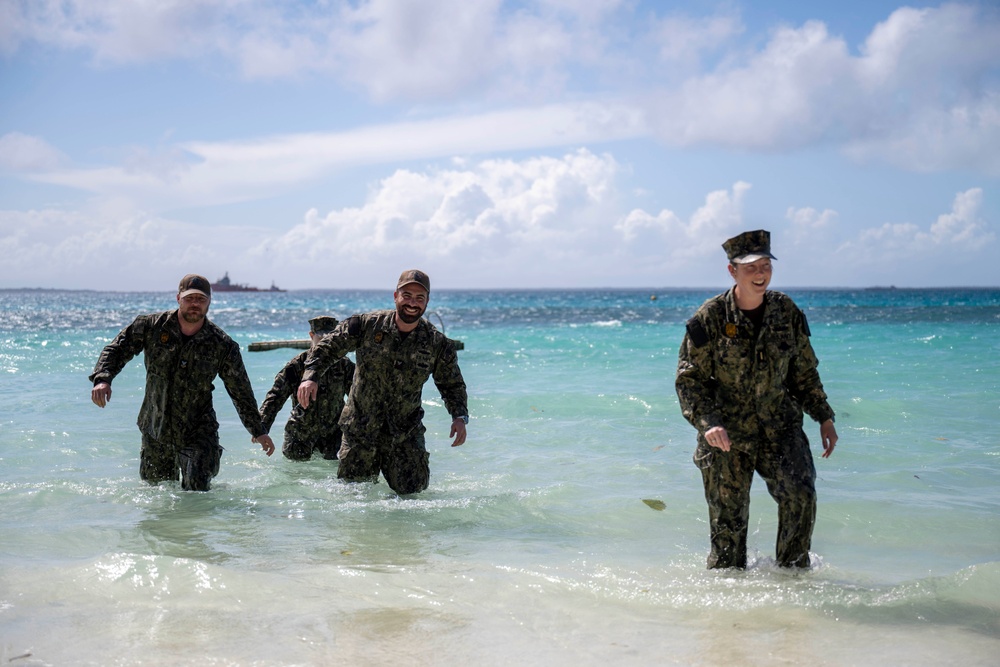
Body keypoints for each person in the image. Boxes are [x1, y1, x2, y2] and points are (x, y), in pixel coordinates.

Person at [675, 230, 838, 569]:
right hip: (727, 439)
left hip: (780, 428)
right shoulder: (711, 318)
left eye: (765, 265)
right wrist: (709, 424)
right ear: (732, 271)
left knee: (800, 494)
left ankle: (793, 586)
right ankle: (729, 610)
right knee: (728, 536)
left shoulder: (786, 312)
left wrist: (824, 415)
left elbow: (803, 372)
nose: (760, 273)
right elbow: (689, 381)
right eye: (750, 267)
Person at [89, 274, 275, 491]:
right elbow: (117, 349)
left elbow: (240, 389)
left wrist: (258, 430)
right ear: (178, 298)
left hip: (198, 431)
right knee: (157, 498)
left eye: (201, 299)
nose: (195, 304)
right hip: (155, 427)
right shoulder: (151, 326)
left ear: (209, 302)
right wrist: (103, 379)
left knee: (197, 499)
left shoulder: (222, 344)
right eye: (189, 298)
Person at [296, 269, 468, 494]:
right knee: (354, 499)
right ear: (395, 296)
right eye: (407, 295)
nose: (412, 303)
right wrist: (310, 376)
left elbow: (451, 383)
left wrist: (459, 416)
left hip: (404, 434)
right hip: (360, 430)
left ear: (427, 302)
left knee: (412, 501)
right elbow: (328, 347)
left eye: (419, 298)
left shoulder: (437, 343)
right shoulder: (366, 325)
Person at [259, 316, 355, 461]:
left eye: (330, 337)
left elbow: (358, 398)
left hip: (333, 435)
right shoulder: (297, 365)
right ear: (311, 335)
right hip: (300, 434)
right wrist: (261, 428)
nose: (326, 341)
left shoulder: (344, 365)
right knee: (297, 478)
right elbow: (276, 396)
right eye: (322, 336)